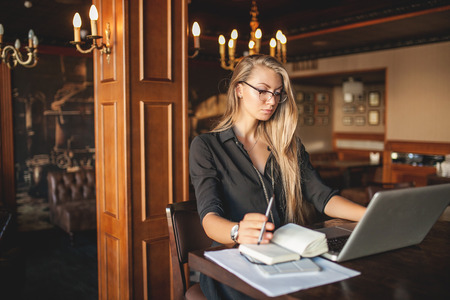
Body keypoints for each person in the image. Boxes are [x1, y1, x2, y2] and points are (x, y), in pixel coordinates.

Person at [189, 54, 366, 299]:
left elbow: (323, 196)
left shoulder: (288, 145)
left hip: (283, 256)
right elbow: (209, 218)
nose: (271, 100)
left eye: (277, 93)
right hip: (232, 262)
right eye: (262, 91)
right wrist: (236, 231)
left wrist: (370, 215)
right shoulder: (207, 146)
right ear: (239, 89)